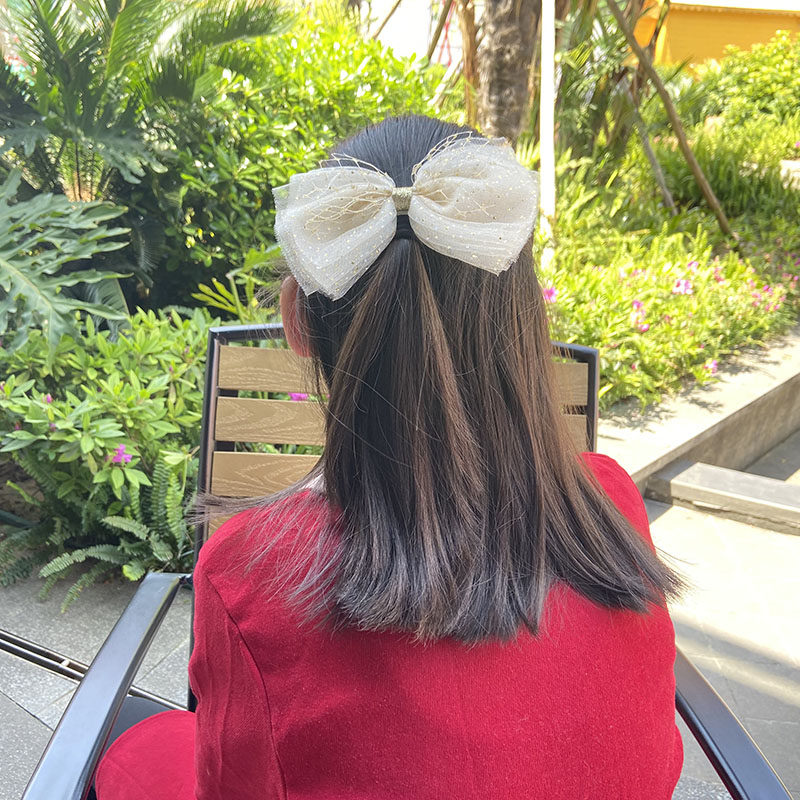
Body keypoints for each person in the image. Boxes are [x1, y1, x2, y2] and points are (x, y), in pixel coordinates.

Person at [95, 115, 683, 799]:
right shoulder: (611, 503)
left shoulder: (252, 577)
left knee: (138, 749)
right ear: (528, 315)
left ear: (295, 320)